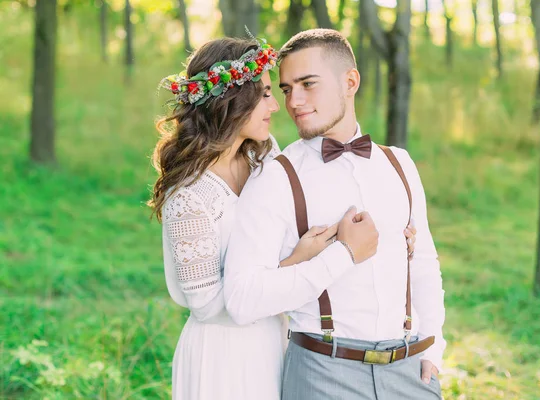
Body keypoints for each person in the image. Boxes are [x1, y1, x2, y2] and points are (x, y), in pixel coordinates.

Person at [149, 36, 418, 399]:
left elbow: (306, 214)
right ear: (230, 101)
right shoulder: (190, 197)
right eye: (263, 94)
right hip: (224, 354)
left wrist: (390, 235)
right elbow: (208, 305)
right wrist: (297, 260)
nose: (277, 105)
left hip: (277, 340)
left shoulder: (264, 158)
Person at [224, 29, 445, 399]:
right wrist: (343, 256)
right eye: (286, 89)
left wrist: (434, 350)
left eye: (308, 84)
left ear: (350, 82)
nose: (294, 101)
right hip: (322, 373)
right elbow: (242, 299)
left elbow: (423, 263)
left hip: (411, 374)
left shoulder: (400, 164)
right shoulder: (275, 177)